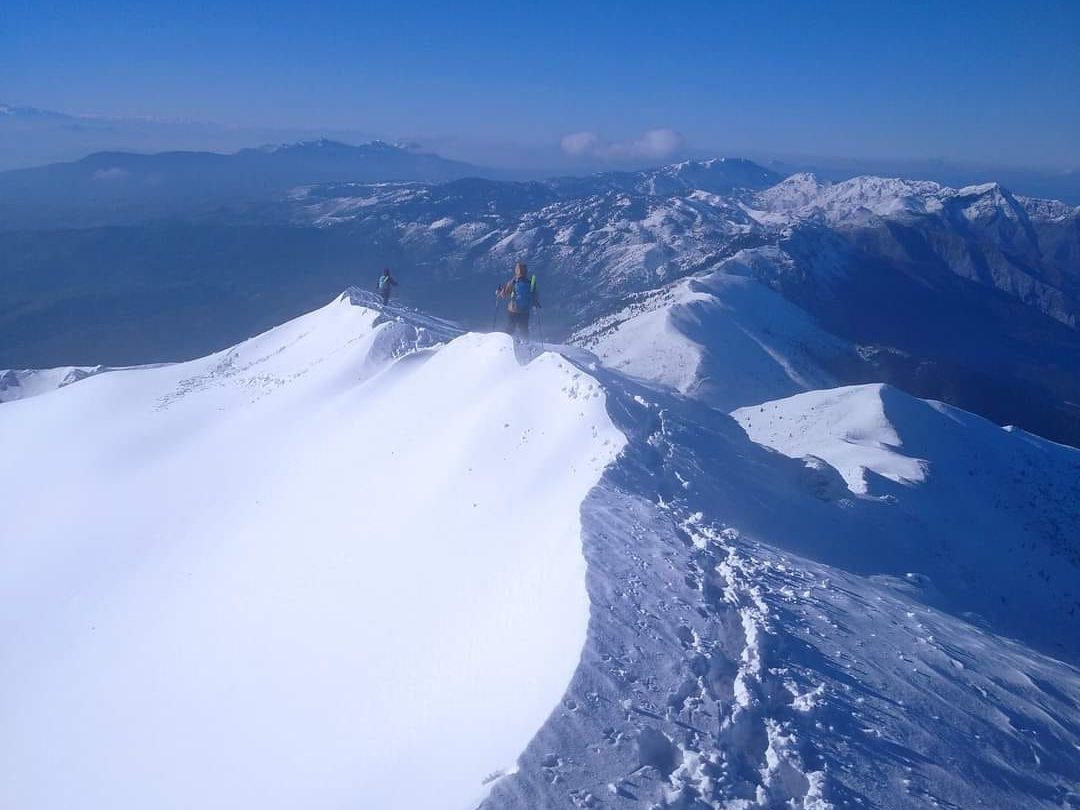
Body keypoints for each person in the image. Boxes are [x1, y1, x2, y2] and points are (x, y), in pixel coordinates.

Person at [497, 262, 540, 340]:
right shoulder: (530, 283)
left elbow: (504, 294)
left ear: (516, 270)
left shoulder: (513, 282)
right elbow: (535, 296)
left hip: (513, 310)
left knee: (510, 328)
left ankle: (503, 342)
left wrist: (499, 293)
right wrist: (535, 303)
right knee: (524, 330)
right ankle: (526, 344)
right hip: (525, 311)